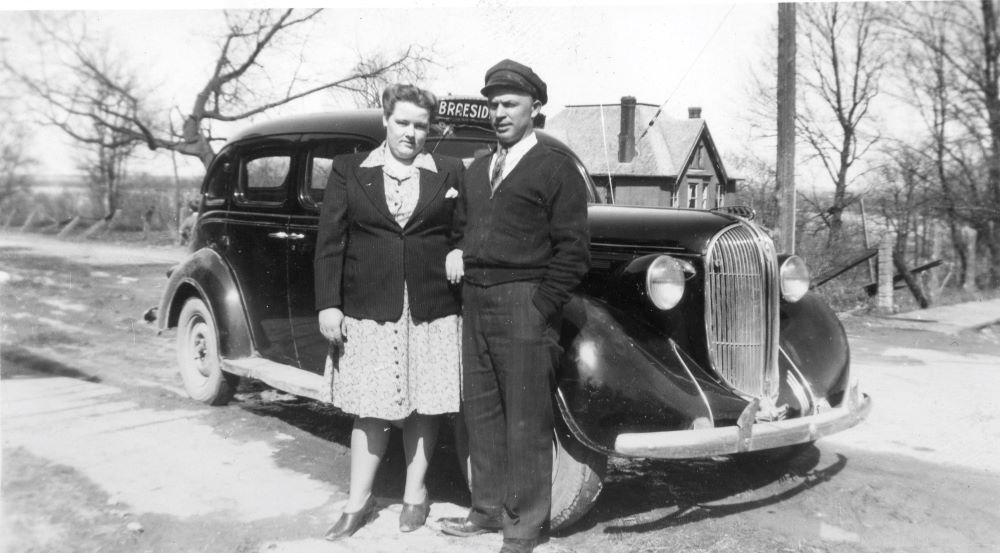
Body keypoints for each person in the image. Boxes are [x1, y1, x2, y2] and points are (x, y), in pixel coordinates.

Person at [440, 60, 590, 553]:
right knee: (480, 414)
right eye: (493, 104)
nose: (499, 113)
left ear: (535, 108)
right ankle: (485, 510)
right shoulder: (478, 169)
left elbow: (573, 251)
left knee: (526, 420)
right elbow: (460, 229)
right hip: (476, 302)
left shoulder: (554, 168)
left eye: (509, 104)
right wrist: (458, 250)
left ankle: (524, 528)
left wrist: (540, 306)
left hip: (524, 303)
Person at [314, 83, 464, 540]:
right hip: (370, 309)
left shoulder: (450, 171)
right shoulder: (349, 170)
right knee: (371, 408)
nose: (411, 133)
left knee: (425, 404)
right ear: (385, 120)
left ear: (430, 129)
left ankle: (415, 494)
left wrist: (460, 250)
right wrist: (328, 304)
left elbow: (466, 231)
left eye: (421, 125)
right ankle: (358, 502)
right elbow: (330, 243)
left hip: (430, 308)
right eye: (402, 122)